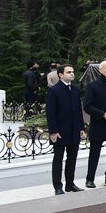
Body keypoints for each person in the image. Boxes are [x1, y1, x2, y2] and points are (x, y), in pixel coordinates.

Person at [46, 64, 83, 195]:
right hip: (60, 131)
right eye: (68, 72)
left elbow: (78, 110)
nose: (72, 74)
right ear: (60, 74)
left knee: (72, 158)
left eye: (72, 72)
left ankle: (70, 183)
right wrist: (53, 131)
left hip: (74, 129)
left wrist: (81, 127)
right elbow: (50, 112)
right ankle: (57, 186)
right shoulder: (54, 90)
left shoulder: (75, 89)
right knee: (58, 159)